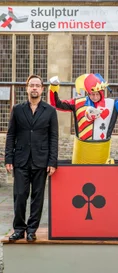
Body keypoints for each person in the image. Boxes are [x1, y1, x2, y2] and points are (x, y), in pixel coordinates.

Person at [5, 75, 58, 242]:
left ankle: (32, 229)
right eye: (31, 85)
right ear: (27, 88)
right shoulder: (18, 109)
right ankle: (19, 228)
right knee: (20, 195)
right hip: (20, 159)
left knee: (37, 196)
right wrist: (8, 158)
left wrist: (52, 161)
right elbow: (11, 134)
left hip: (41, 160)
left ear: (42, 89)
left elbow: (53, 137)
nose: (34, 88)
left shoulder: (50, 111)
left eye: (37, 85)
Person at [49, 73, 118, 164]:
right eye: (92, 94)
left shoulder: (112, 104)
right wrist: (53, 87)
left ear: (102, 92)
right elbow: (56, 104)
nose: (95, 97)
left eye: (97, 94)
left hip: (101, 152)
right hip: (81, 153)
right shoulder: (78, 103)